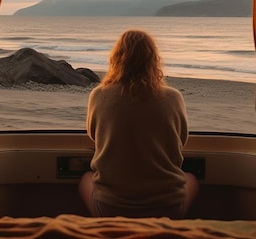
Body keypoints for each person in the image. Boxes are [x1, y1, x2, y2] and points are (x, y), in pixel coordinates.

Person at [78, 29, 198, 219]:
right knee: (191, 179)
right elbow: (181, 139)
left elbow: (94, 135)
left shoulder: (99, 95)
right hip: (166, 208)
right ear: (154, 60)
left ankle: (110, 228)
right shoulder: (173, 97)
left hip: (111, 208)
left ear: (116, 58)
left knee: (85, 179)